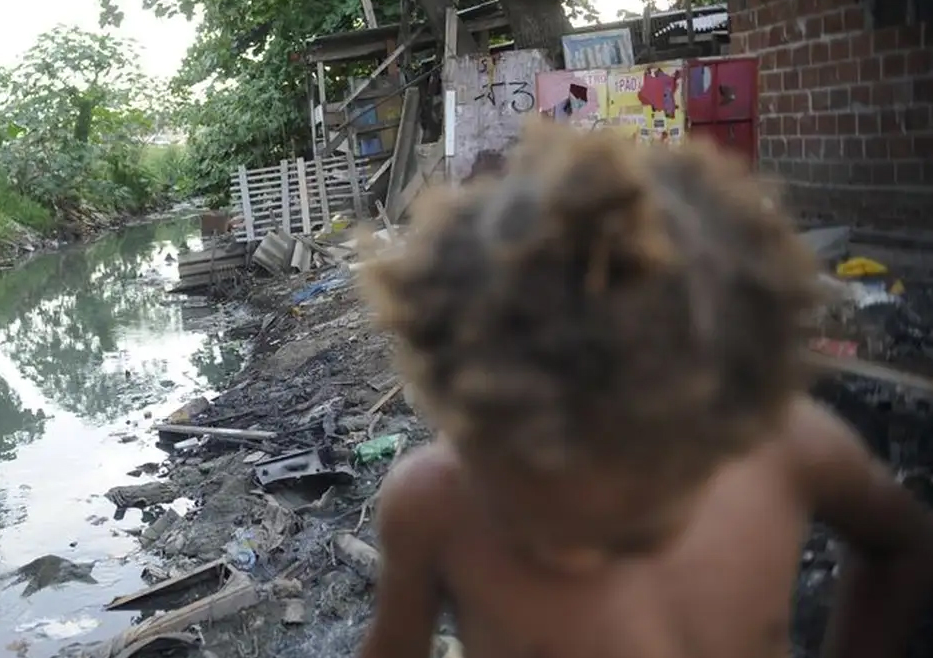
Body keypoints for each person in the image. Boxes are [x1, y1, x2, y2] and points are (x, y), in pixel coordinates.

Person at [356, 120, 933, 658]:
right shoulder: (432, 507)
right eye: (536, 512)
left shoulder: (785, 447)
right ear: (464, 425)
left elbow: (901, 545)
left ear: (717, 432)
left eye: (632, 530)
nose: (573, 558)